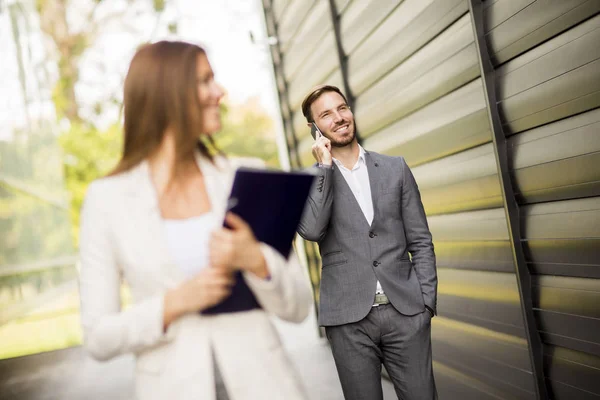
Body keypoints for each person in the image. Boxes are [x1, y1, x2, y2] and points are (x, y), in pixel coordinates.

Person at [78, 40, 312, 400]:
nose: (219, 92)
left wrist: (255, 259)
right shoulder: (107, 199)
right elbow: (98, 336)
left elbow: (298, 306)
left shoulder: (248, 177)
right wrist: (173, 303)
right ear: (166, 93)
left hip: (266, 385)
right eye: (205, 81)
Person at [298, 85, 438, 400]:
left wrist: (425, 304)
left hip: (406, 313)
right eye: (326, 114)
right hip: (347, 321)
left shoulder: (395, 168)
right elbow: (312, 229)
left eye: (342, 108)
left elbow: (421, 240)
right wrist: (325, 168)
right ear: (314, 129)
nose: (338, 118)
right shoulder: (310, 180)